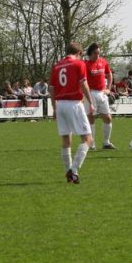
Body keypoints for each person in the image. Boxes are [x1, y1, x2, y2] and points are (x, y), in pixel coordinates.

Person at [50, 42, 95, 184]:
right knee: (88, 139)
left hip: (60, 105)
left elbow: (51, 89)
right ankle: (73, 170)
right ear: (79, 53)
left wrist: (54, 107)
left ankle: (68, 173)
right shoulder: (79, 63)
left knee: (66, 140)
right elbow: (84, 84)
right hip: (74, 104)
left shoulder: (56, 66)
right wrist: (91, 101)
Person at [84, 42, 115, 150]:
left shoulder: (103, 61)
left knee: (108, 118)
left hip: (102, 93)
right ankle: (91, 144)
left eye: (98, 53)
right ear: (90, 53)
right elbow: (82, 81)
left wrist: (108, 88)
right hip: (91, 93)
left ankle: (106, 142)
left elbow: (109, 74)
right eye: (95, 53)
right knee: (91, 118)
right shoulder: (86, 65)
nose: (97, 55)